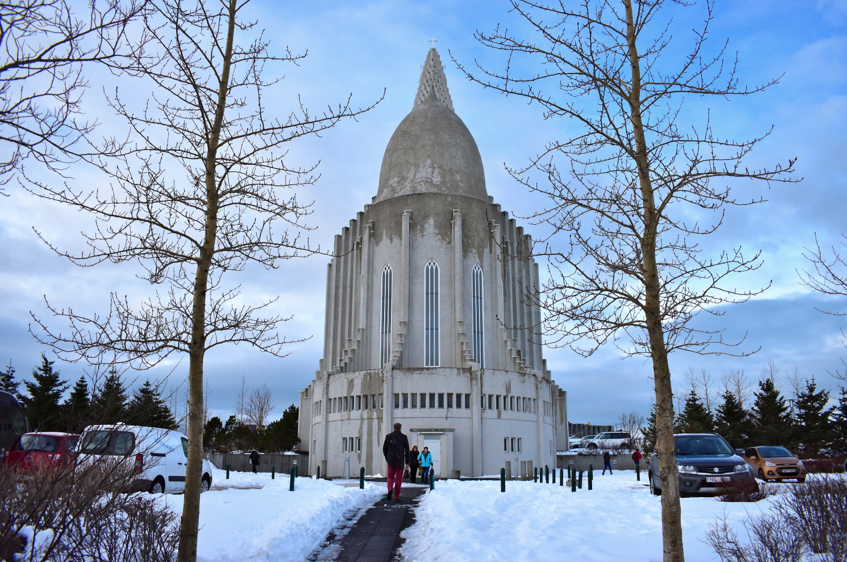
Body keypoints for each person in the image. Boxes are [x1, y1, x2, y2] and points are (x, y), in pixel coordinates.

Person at [382, 422, 410, 502]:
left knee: (390, 476)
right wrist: (407, 462)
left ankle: (390, 488)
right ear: (400, 428)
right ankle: (397, 496)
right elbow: (407, 450)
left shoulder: (388, 436)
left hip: (391, 460)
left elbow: (384, 449)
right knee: (398, 478)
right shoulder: (404, 437)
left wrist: (387, 458)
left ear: (394, 428)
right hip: (400, 460)